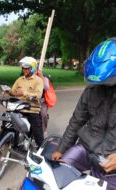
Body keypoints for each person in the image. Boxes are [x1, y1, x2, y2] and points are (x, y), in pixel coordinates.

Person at [52, 38, 116, 190]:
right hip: (86, 148)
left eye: (105, 82)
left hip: (111, 160)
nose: (99, 87)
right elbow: (77, 121)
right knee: (57, 177)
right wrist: (61, 149)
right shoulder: (91, 89)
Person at [8, 57, 44, 147]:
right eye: (23, 68)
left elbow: (38, 96)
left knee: (38, 133)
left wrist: (24, 93)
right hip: (19, 108)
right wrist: (8, 91)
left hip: (32, 109)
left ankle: (42, 152)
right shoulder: (20, 79)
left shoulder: (38, 80)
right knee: (11, 126)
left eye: (27, 68)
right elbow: (13, 91)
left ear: (32, 68)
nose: (24, 70)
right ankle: (14, 145)